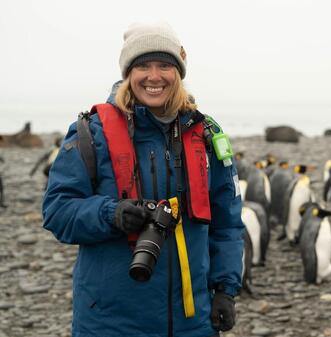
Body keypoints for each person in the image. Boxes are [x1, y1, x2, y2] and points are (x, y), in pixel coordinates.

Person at [42, 22, 244, 337]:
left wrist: (226, 288)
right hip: (110, 323)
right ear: (127, 73)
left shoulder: (206, 135)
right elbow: (58, 211)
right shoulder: (91, 133)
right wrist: (113, 213)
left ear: (179, 70)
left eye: (164, 65)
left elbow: (227, 222)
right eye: (142, 66)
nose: (153, 76)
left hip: (192, 320)